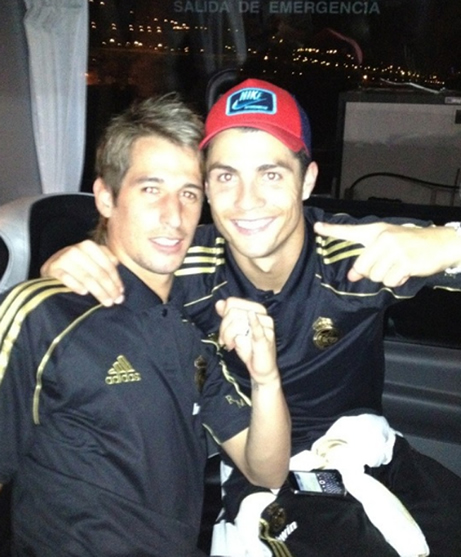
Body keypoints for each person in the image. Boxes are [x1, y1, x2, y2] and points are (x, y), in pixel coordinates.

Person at [42, 79, 461, 556]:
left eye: (271, 174)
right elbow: (99, 273)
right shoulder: (182, 264)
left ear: (308, 180)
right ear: (207, 187)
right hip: (265, 482)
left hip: (377, 456)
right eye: (226, 176)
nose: (247, 200)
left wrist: (455, 242)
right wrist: (64, 264)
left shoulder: (358, 253)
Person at [0, 94, 291, 557]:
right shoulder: (45, 315)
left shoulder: (191, 331)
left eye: (190, 193)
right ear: (106, 197)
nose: (174, 217)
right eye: (151, 189)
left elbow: (266, 471)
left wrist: (266, 377)